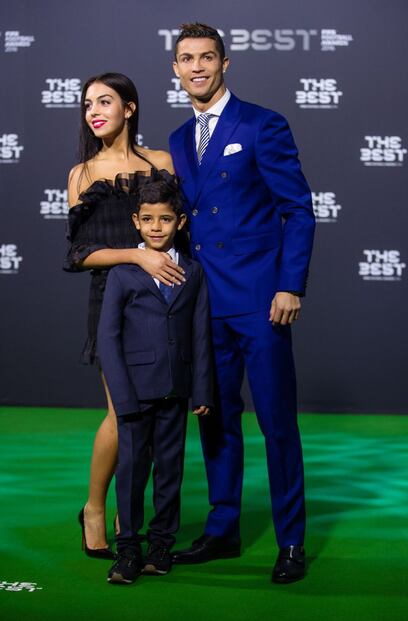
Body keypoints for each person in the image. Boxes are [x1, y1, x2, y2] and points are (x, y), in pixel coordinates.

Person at [168, 23, 316, 583]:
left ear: (225, 64)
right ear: (175, 70)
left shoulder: (262, 124)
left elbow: (297, 209)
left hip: (260, 301)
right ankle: (223, 528)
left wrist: (290, 284)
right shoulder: (179, 140)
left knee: (277, 423)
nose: (197, 67)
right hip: (206, 304)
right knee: (216, 420)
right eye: (187, 59)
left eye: (207, 57)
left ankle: (292, 541)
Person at [64, 73, 185, 558]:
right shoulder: (82, 173)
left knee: (156, 416)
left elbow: (178, 231)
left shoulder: (161, 163)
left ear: (130, 109)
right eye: (88, 103)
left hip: (161, 303)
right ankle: (95, 508)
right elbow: (78, 255)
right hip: (113, 303)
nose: (94, 111)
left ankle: (127, 511)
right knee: (122, 414)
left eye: (105, 101)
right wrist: (136, 256)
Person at [97, 173, 214, 584]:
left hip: (176, 390)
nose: (156, 228)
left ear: (180, 222)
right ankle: (127, 549)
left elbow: (200, 334)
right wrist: (122, 395)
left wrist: (201, 388)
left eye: (165, 220)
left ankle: (161, 545)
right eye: (148, 220)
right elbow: (108, 338)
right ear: (136, 222)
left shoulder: (195, 273)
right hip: (134, 393)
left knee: (171, 470)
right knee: (131, 473)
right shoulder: (124, 274)